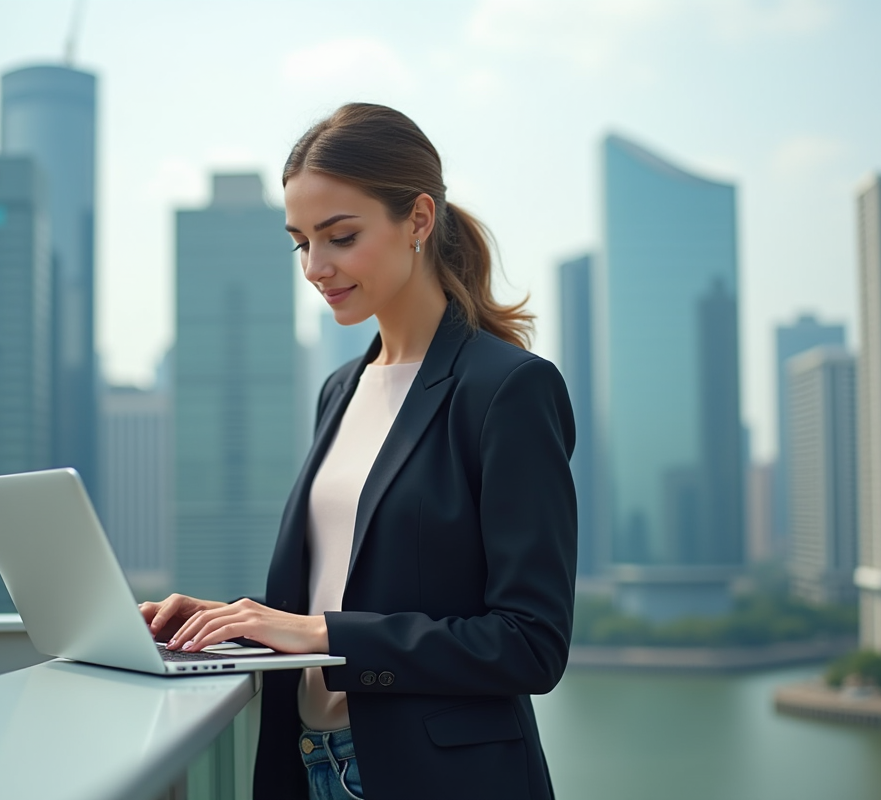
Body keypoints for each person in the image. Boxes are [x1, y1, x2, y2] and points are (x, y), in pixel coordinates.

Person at [141, 102, 576, 800]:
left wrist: (315, 632)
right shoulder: (340, 388)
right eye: (300, 242)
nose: (315, 267)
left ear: (419, 220)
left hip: (438, 778)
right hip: (308, 764)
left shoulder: (509, 390)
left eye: (340, 236)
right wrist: (232, 623)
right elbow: (342, 593)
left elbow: (531, 644)